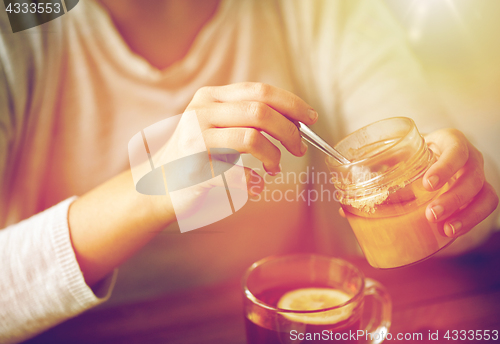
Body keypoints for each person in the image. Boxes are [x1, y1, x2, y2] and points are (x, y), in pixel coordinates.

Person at [0, 0, 498, 342]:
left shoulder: (316, 11)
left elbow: (421, 166)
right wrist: (151, 191)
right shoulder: (20, 24)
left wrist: (460, 181)